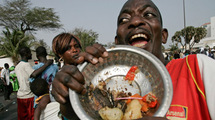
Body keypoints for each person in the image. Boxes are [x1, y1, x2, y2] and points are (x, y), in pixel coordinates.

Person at [51, 0, 215, 120]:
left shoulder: (197, 68)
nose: (135, 22)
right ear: (117, 41)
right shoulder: (106, 86)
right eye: (124, 20)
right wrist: (71, 105)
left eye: (148, 15)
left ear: (163, 35)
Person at [51, 32, 84, 119]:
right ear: (60, 54)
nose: (74, 50)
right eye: (68, 48)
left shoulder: (85, 70)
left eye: (76, 46)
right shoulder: (61, 79)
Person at [15, 47, 53, 120]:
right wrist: (47, 64)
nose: (31, 55)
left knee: (23, 117)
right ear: (26, 54)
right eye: (30, 53)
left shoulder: (18, 66)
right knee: (32, 116)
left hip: (20, 95)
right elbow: (34, 74)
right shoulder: (26, 65)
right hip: (28, 95)